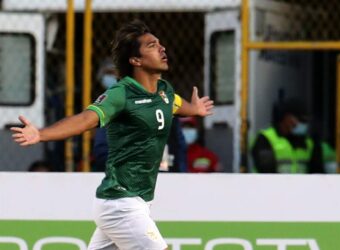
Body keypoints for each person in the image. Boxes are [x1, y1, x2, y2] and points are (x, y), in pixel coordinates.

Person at [11, 20, 213, 250]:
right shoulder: (121, 93)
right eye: (151, 45)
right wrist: (41, 134)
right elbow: (85, 119)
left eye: (160, 43)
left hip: (135, 202)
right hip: (121, 203)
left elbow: (176, 104)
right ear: (136, 61)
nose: (162, 48)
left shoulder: (164, 90)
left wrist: (195, 109)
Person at [251, 98, 323, 173]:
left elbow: (317, 172)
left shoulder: (309, 143)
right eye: (301, 120)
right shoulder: (265, 138)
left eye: (306, 121)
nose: (304, 125)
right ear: (287, 117)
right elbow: (266, 172)